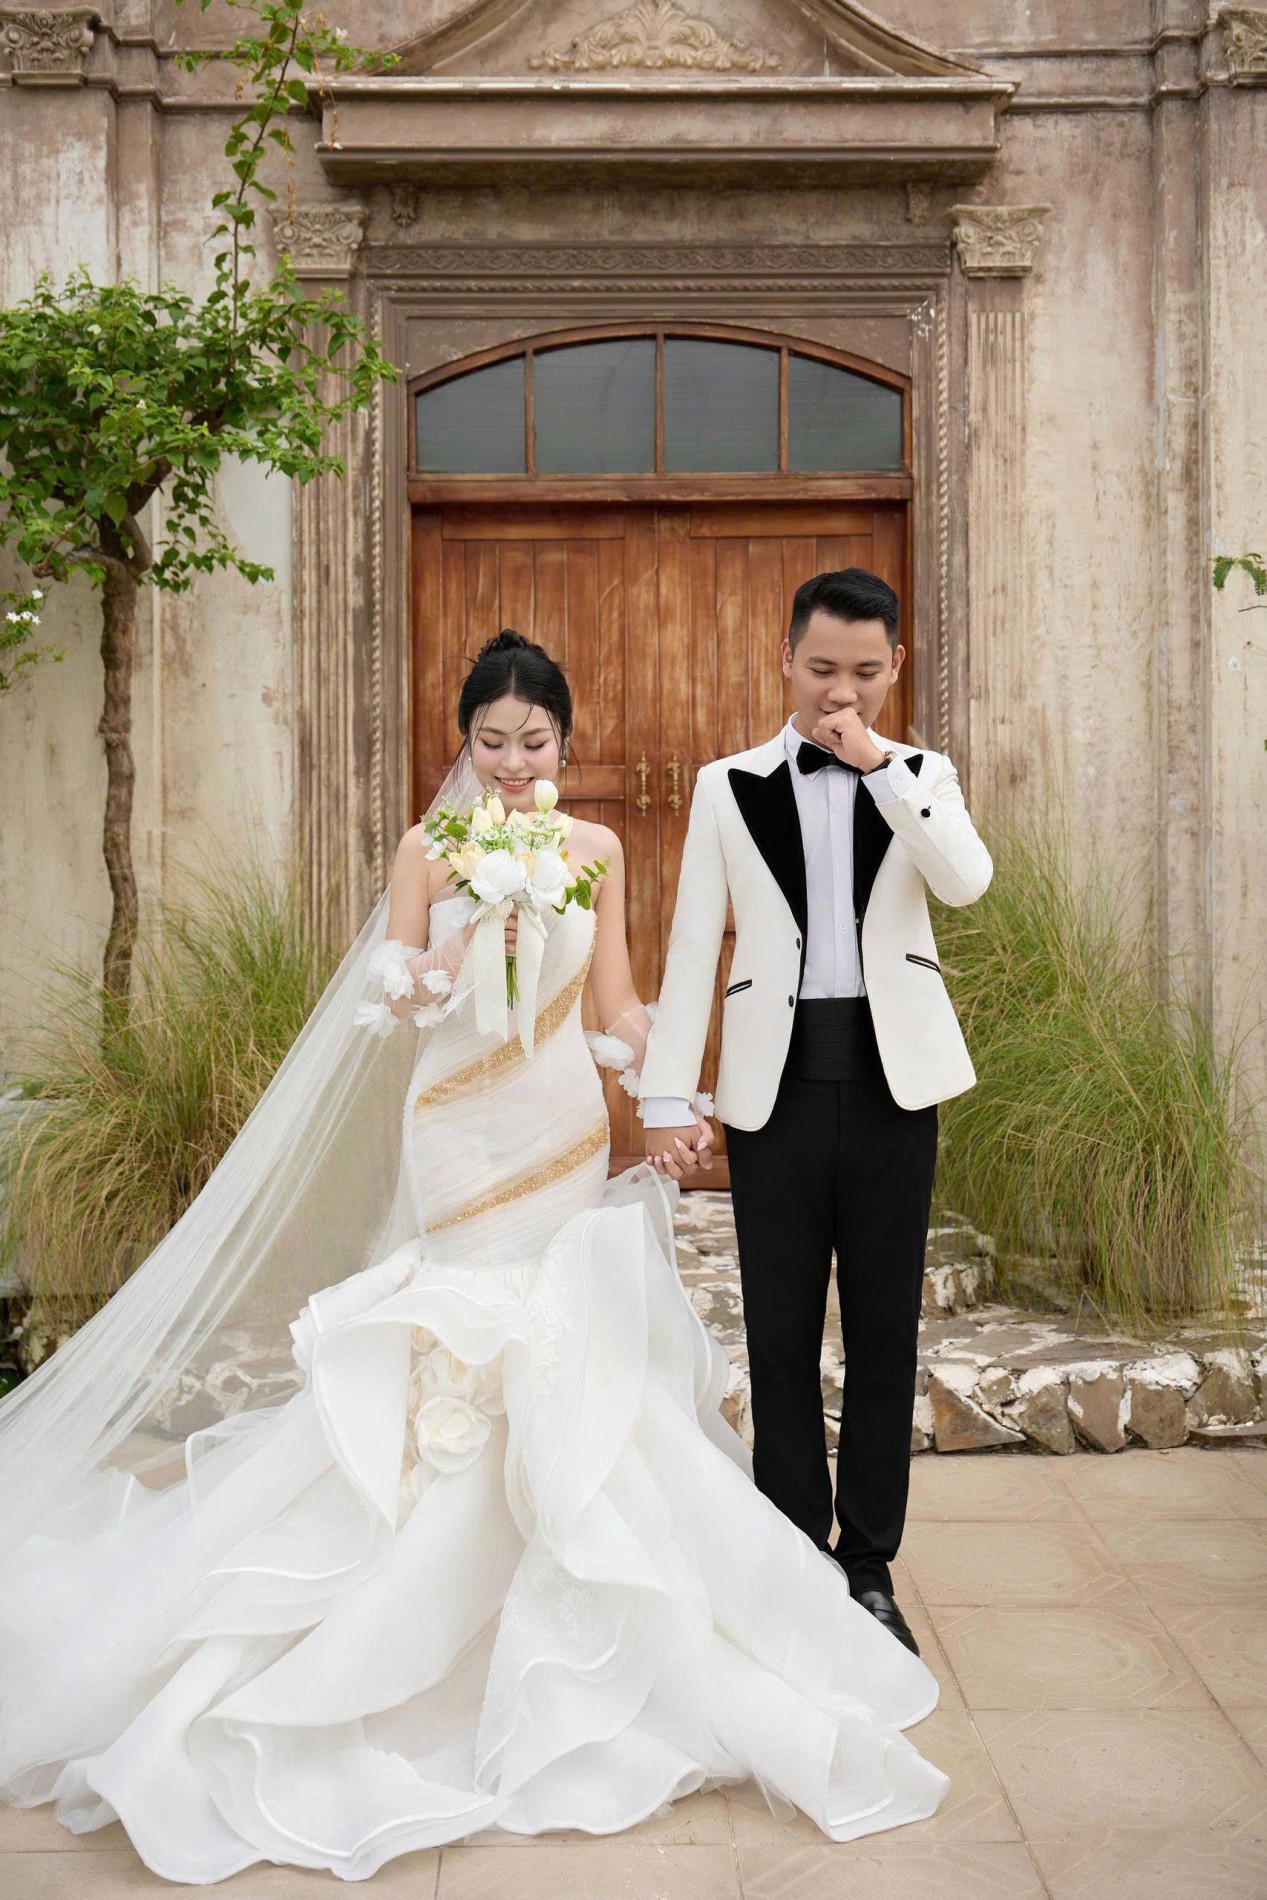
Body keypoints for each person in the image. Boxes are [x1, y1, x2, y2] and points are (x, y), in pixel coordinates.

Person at [0, 629, 948, 1883]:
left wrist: (664, 1092)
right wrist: (440, 961)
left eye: (533, 741)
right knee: (463, 1336)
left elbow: (617, 999)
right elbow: (390, 998)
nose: (511, 762)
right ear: (465, 743)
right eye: (491, 741)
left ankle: (566, 1612)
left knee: (561, 1348)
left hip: (558, 1124)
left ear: (566, 741)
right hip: (455, 1125)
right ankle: (412, 1616)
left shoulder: (596, 850)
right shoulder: (426, 848)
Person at [639, 569, 993, 1656]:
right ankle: (794, 1557)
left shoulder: (921, 775)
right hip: (773, 1090)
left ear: (895, 668)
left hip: (894, 1084)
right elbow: (693, 945)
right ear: (786, 659)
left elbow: (966, 881)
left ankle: (868, 1565)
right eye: (822, 667)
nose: (841, 690)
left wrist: (879, 767)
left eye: (865, 671)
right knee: (780, 1334)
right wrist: (665, 1093)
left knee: (884, 1335)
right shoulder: (726, 785)